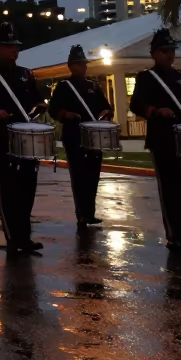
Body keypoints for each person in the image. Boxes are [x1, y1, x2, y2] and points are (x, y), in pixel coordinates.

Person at [130, 29, 181, 251]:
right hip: (163, 139)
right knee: (170, 189)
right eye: (165, 51)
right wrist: (156, 111)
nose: (170, 55)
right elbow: (136, 105)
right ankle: (174, 235)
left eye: (172, 51)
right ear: (155, 53)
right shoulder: (146, 77)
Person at [0, 22, 48, 255]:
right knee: (8, 189)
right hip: (3, 138)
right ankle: (12, 238)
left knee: (28, 187)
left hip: (26, 139)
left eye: (15, 46)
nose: (13, 51)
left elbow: (38, 100)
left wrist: (40, 106)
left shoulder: (26, 74)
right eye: (8, 46)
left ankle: (24, 236)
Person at [48, 45, 113, 228]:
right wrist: (66, 115)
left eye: (83, 64)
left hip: (94, 135)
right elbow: (54, 110)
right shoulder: (63, 86)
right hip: (74, 135)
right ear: (71, 66)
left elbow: (106, 106)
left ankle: (90, 213)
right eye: (78, 64)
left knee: (93, 174)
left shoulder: (93, 86)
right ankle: (81, 214)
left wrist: (107, 112)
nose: (82, 67)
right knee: (79, 175)